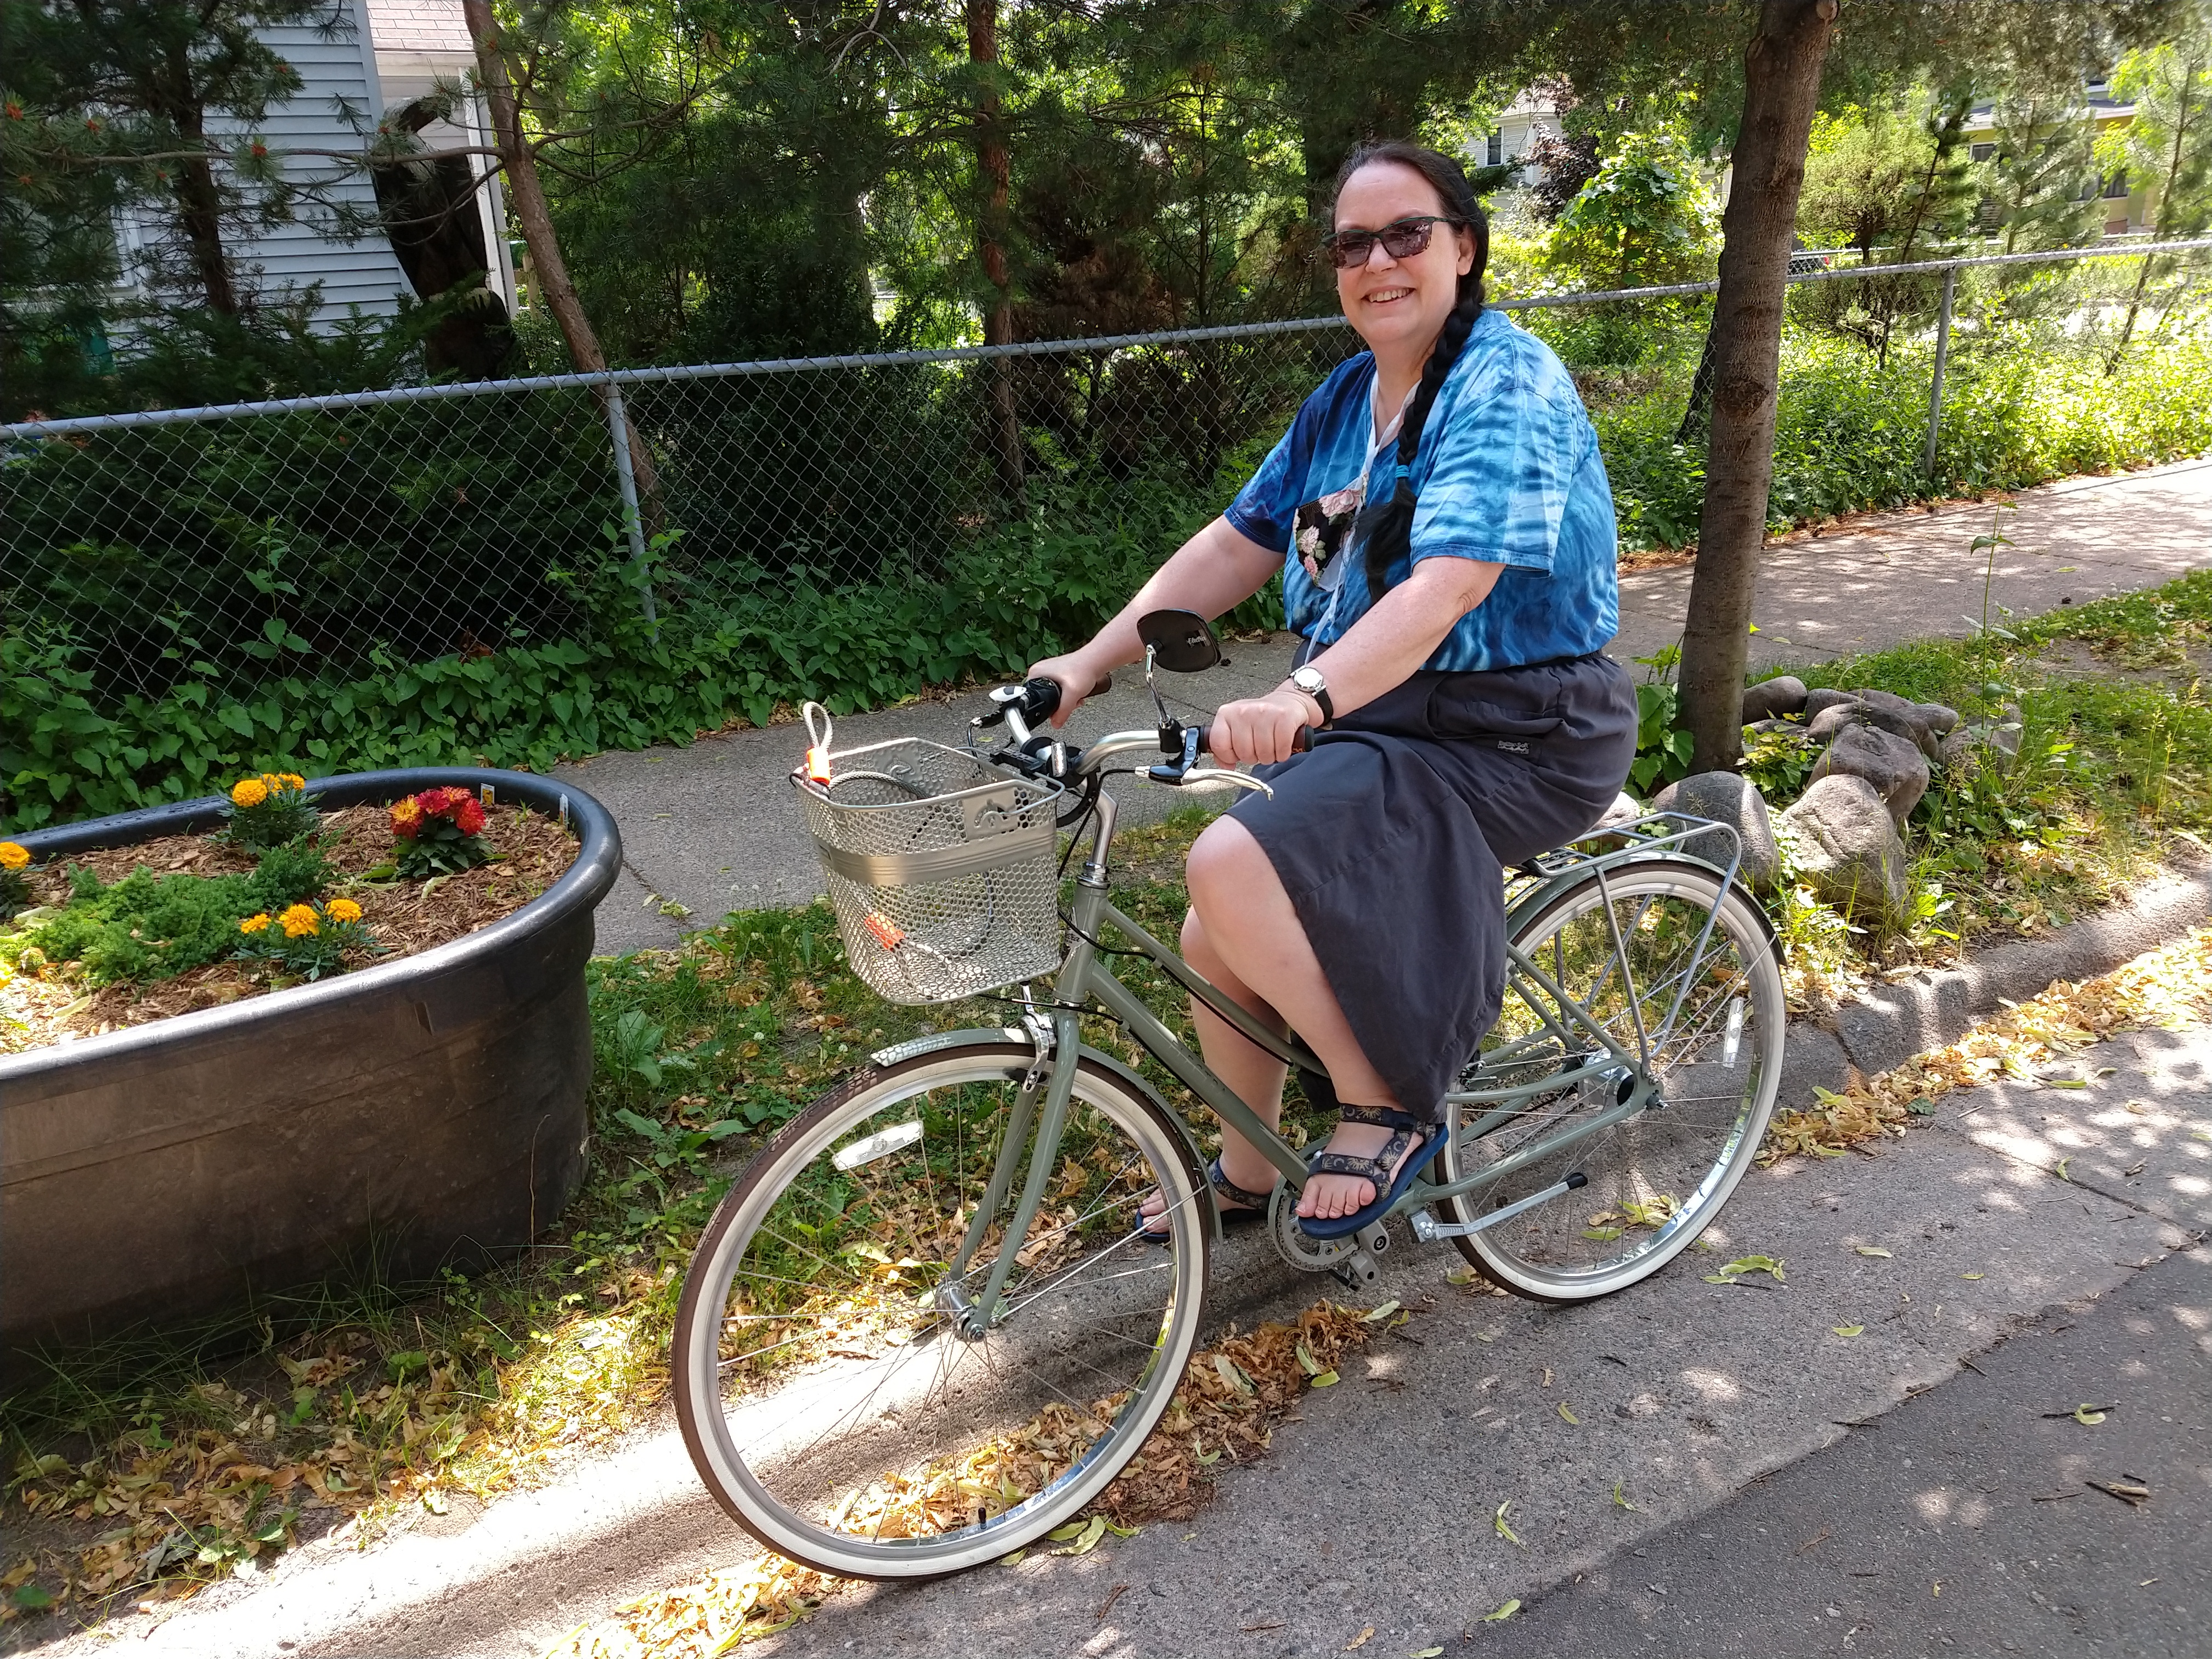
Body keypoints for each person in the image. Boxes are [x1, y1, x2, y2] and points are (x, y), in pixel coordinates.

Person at [1028, 140, 1637, 1241]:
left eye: (1407, 234)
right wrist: (1087, 662)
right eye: (1353, 244)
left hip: (1520, 727)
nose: (1378, 261)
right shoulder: (1347, 399)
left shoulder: (1504, 381)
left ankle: (1391, 1105)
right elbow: (1234, 545)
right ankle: (1248, 1170)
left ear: (1464, 247)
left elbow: (1448, 588)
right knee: (1219, 929)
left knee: (1230, 859)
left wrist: (1305, 696)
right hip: (1390, 714)